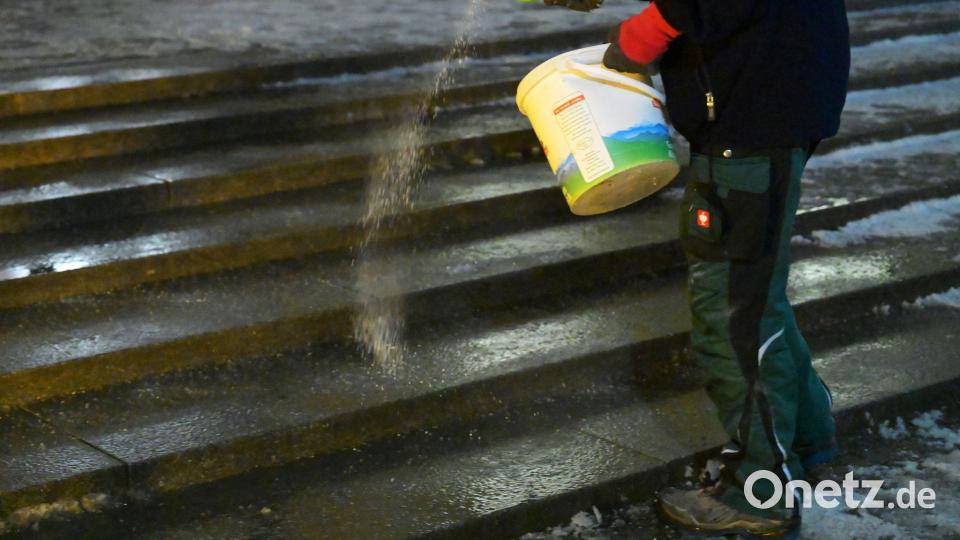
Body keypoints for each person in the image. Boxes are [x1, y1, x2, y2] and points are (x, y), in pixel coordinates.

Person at [544, 0, 850, 538]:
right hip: (774, 103)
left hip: (749, 123)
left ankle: (760, 490)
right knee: (756, 293)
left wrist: (645, 32)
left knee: (732, 312)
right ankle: (804, 437)